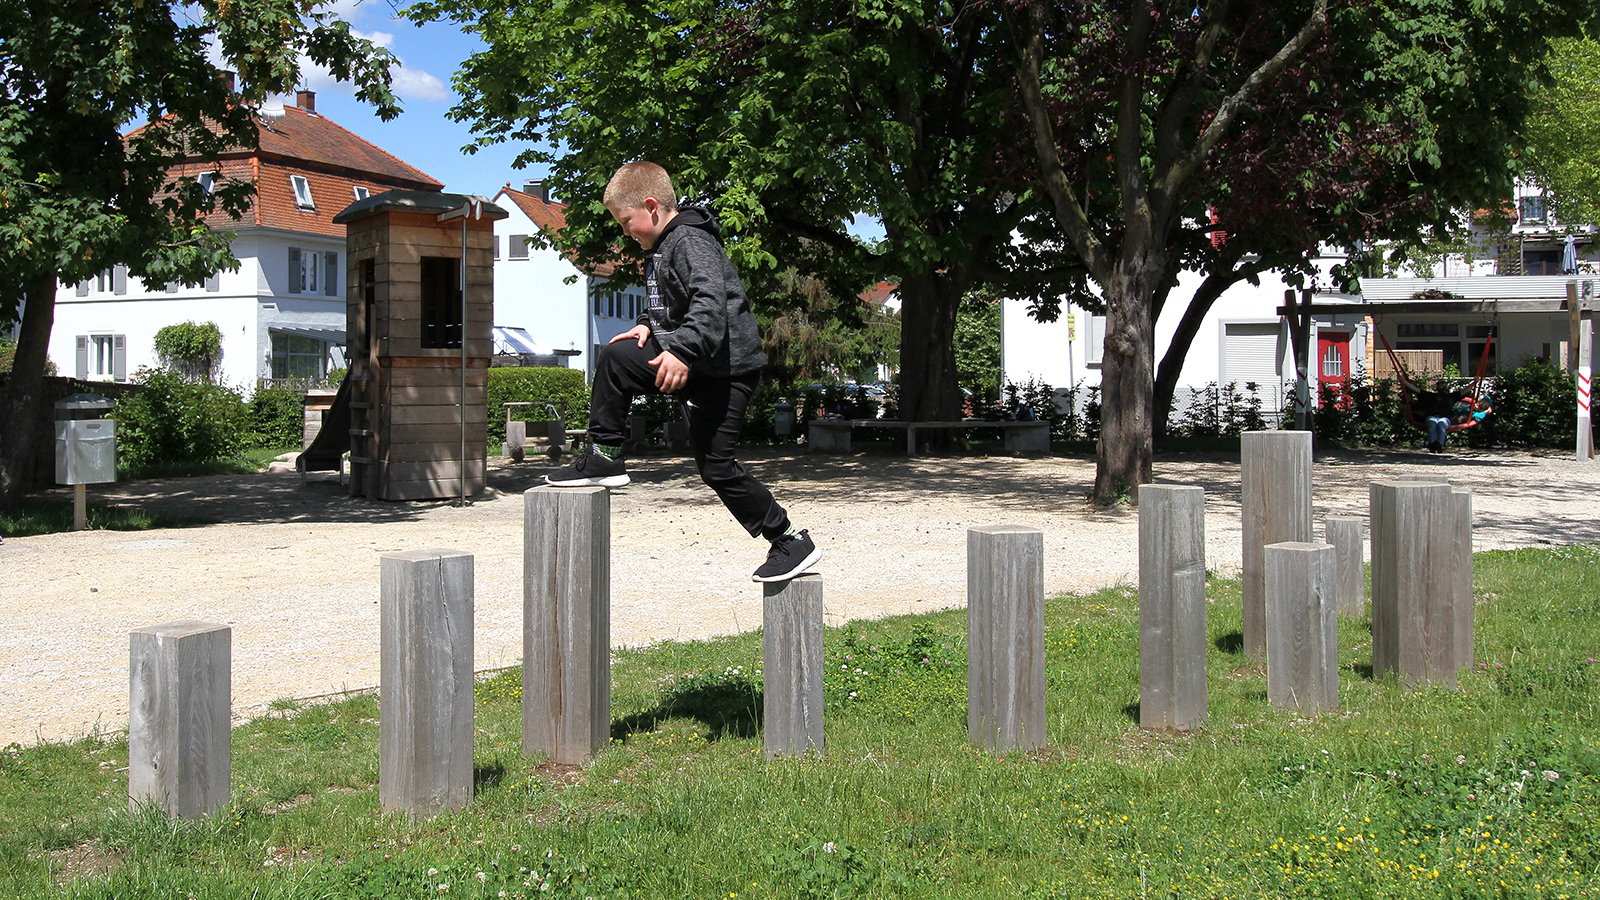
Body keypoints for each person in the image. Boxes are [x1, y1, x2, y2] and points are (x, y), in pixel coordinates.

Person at [545, 161, 821, 583]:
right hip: (690, 360)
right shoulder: (660, 246)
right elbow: (667, 300)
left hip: (725, 371)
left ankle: (788, 539)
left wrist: (682, 351)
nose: (625, 232)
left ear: (651, 206)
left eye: (626, 222)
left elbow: (711, 304)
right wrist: (644, 321)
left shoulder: (690, 240)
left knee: (717, 468)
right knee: (617, 358)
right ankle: (605, 455)